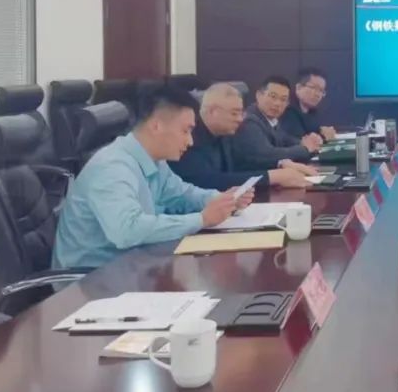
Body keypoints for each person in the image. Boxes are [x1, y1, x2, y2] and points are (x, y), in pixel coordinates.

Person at [53, 87, 253, 269]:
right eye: (185, 131)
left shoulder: (154, 160)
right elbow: (126, 231)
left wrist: (222, 200)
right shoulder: (112, 167)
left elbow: (181, 194)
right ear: (157, 126)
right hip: (90, 280)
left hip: (133, 265)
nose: (190, 141)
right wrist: (202, 219)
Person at [170, 83, 316, 191]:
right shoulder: (189, 136)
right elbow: (206, 181)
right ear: (213, 111)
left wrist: (280, 164)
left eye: (241, 113)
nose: (240, 119)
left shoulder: (225, 133)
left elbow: (244, 163)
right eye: (234, 113)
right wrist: (272, 176)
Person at [232, 76, 322, 170]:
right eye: (273, 96)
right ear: (259, 95)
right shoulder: (249, 121)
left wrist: (304, 142)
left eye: (283, 99)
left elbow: (285, 139)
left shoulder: (271, 119)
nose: (277, 103)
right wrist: (305, 149)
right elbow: (267, 154)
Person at [281, 67, 336, 141]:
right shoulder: (287, 110)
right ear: (298, 87)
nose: (317, 94)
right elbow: (299, 141)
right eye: (313, 88)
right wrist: (324, 136)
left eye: (321, 90)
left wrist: (324, 132)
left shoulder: (312, 112)